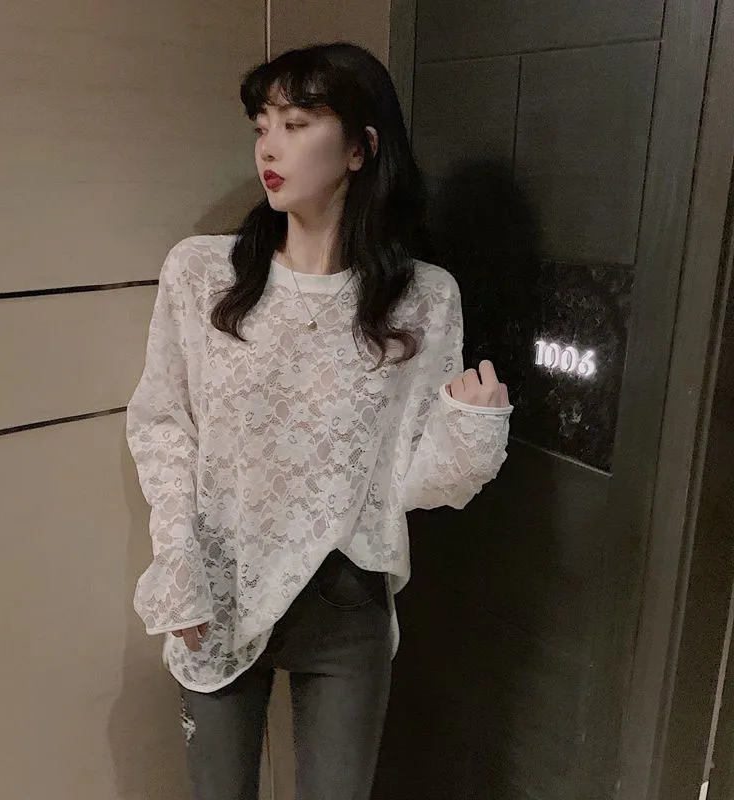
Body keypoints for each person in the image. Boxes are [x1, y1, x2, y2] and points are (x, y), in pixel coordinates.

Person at [126, 41, 512, 800]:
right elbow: (163, 424)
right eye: (262, 125)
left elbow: (410, 484)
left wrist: (470, 436)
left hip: (346, 598)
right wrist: (177, 564)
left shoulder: (424, 298)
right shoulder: (203, 273)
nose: (269, 147)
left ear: (361, 148)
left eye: (297, 123)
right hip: (221, 588)